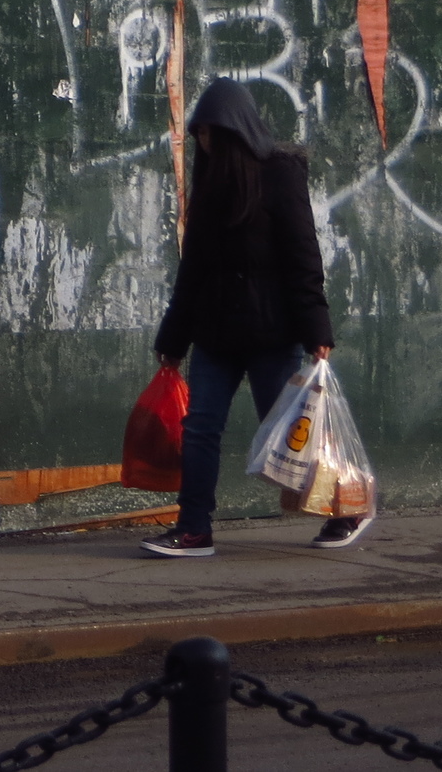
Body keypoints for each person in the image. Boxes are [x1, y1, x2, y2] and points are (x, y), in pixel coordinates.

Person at [143, 78, 366, 556]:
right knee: (200, 428)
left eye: (210, 134)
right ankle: (194, 527)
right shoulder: (208, 185)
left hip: (271, 334)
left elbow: (303, 255)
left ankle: (345, 508)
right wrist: (173, 338)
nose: (203, 143)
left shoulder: (280, 175)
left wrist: (316, 332)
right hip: (215, 336)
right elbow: (194, 269)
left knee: (290, 434)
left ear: (234, 131)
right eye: (198, 134)